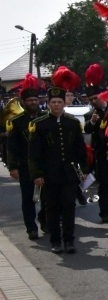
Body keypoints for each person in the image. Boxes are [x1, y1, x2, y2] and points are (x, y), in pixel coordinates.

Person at [29, 85, 88, 254]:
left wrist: (84, 169)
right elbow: (33, 153)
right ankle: (55, 240)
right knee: (52, 208)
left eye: (59, 102)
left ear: (64, 103)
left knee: (69, 205)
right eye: (53, 102)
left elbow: (80, 149)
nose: (56, 105)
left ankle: (69, 240)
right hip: (49, 174)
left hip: (69, 173)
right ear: (48, 104)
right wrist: (37, 174)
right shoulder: (38, 124)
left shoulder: (73, 122)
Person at [5, 76, 47, 240]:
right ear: (23, 102)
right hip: (25, 166)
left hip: (45, 165)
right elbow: (11, 147)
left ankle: (44, 221)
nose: (33, 102)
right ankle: (31, 228)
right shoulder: (16, 122)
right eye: (29, 100)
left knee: (47, 197)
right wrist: (13, 167)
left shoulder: (45, 117)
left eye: (35, 99)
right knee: (28, 198)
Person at [84, 68, 108, 224]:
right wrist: (92, 121)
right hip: (101, 153)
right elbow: (87, 130)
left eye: (95, 98)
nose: (93, 102)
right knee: (104, 183)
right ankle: (104, 212)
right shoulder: (90, 114)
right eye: (90, 100)